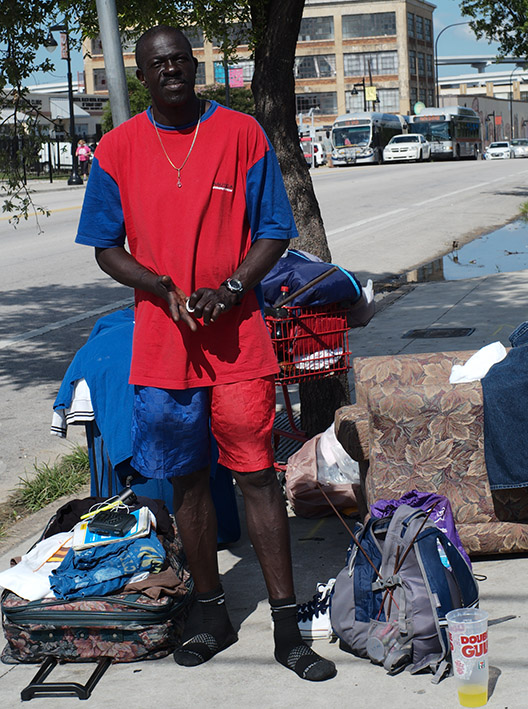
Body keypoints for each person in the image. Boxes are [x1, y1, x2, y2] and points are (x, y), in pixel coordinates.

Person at [75, 25, 336, 681]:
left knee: (254, 473)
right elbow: (106, 245)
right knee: (186, 477)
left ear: (195, 67)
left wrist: (231, 287)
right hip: (163, 346)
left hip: (237, 339)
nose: (171, 71)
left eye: (180, 60)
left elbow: (274, 227)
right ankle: (211, 612)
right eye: (157, 64)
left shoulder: (241, 133)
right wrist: (157, 285)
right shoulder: (116, 149)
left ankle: (286, 625)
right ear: (142, 76)